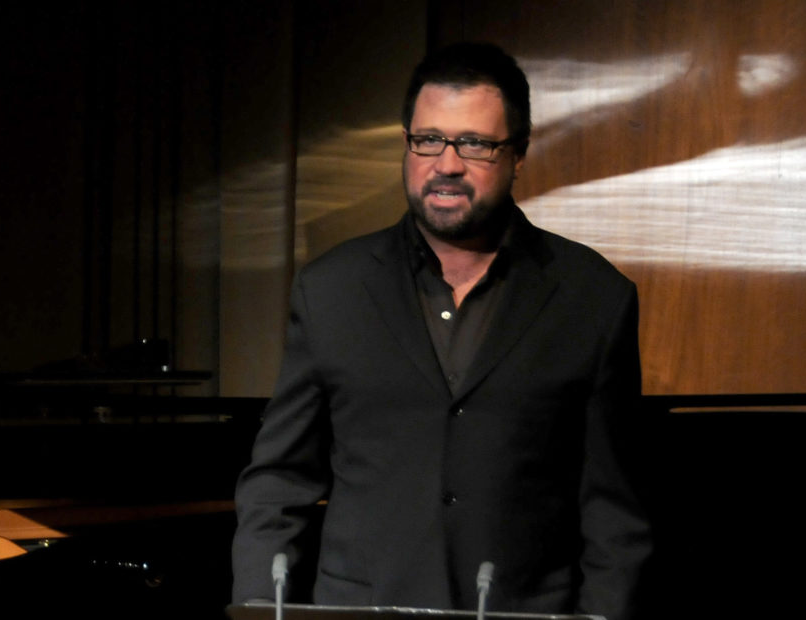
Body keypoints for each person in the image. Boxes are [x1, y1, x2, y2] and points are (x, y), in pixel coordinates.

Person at [231, 42, 651, 620]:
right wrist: (259, 609)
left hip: (522, 616)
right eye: (427, 139)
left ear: (518, 154)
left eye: (475, 143)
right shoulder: (331, 289)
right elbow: (279, 481)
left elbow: (614, 514)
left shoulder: (594, 298)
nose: (447, 164)